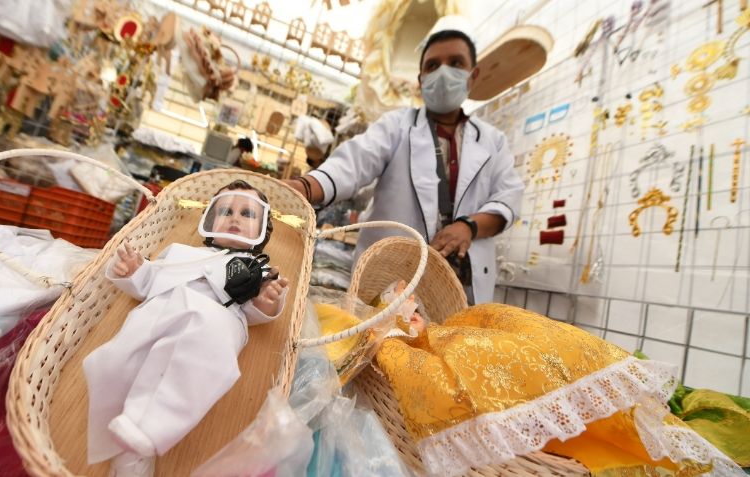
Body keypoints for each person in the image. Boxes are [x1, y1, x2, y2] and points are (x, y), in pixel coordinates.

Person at [314, 284, 744, 477]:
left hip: (469, 330)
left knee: (515, 337)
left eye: (411, 307)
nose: (413, 314)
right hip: (421, 341)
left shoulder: (449, 326)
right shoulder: (391, 344)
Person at [286, 17, 524, 305]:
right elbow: (352, 164)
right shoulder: (396, 126)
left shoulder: (492, 140)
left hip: (461, 287)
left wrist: (468, 227)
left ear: (473, 76)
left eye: (456, 63)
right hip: (388, 281)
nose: (444, 73)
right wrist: (302, 187)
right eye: (433, 66)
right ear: (421, 80)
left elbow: (508, 199)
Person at [83, 180, 289, 477]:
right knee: (121, 362)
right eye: (226, 210)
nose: (234, 217)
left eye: (247, 214)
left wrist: (266, 299)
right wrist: (134, 271)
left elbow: (254, 312)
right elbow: (151, 280)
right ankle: (129, 443)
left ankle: (145, 433)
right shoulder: (178, 252)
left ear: (262, 230)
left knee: (197, 362)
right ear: (209, 218)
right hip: (160, 311)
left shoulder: (259, 268)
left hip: (218, 319)